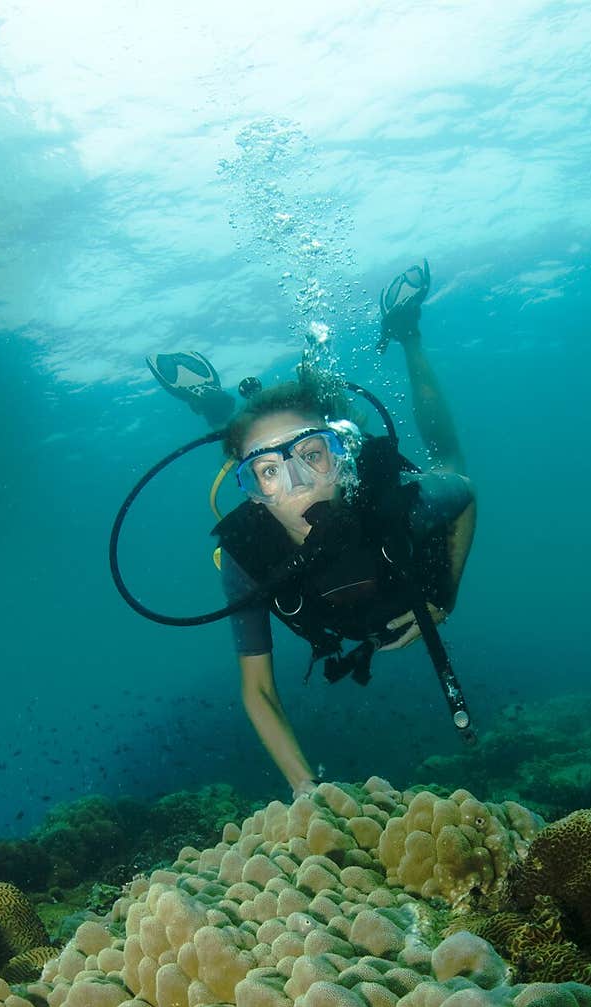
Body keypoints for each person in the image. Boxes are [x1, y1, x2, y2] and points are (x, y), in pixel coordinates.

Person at [147, 262, 476, 798]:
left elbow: (463, 494)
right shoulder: (247, 556)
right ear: (252, 491)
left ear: (340, 458)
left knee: (448, 458)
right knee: (260, 437)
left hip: (372, 473)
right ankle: (219, 410)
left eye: (312, 456)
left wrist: (445, 594)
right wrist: (306, 788)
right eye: (270, 473)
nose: (298, 484)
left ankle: (405, 331)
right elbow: (258, 690)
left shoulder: (398, 503)